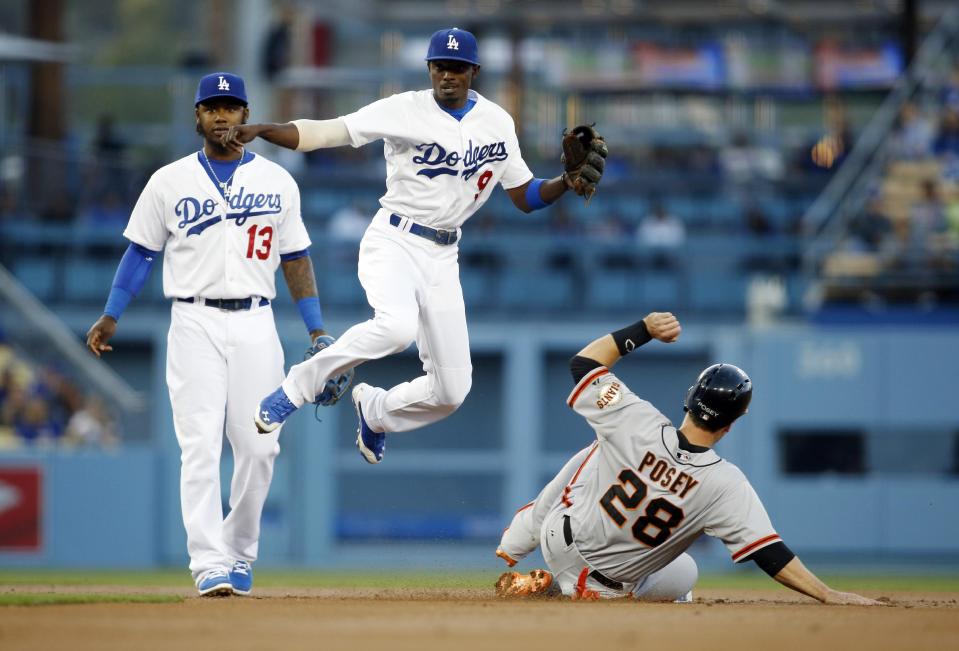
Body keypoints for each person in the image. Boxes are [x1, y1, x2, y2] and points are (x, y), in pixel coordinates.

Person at [223, 28, 598, 463]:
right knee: (396, 327)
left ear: (474, 71)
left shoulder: (497, 122)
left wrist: (565, 184)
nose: (447, 75)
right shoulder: (404, 109)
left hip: (444, 255)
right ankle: (294, 389)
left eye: (457, 67)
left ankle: (377, 411)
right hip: (395, 240)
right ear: (429, 69)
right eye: (440, 66)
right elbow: (329, 132)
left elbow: (524, 196)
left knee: (452, 390)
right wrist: (264, 129)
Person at [85, 72, 329, 597]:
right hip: (192, 320)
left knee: (260, 446)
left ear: (246, 114)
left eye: (231, 107)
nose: (222, 116)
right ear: (196, 116)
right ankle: (208, 563)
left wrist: (317, 329)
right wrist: (112, 313)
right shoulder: (168, 180)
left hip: (255, 320)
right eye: (211, 107)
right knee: (197, 447)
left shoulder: (277, 180)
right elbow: (141, 252)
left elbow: (296, 258)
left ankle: (239, 553)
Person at [494, 311, 883, 606]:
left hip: (557, 538)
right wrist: (827, 594)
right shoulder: (724, 485)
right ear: (733, 423)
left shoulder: (636, 419)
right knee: (686, 577)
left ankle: (523, 536)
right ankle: (559, 590)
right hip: (598, 585)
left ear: (689, 397)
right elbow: (769, 553)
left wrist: (644, 329)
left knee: (602, 444)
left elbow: (584, 364)